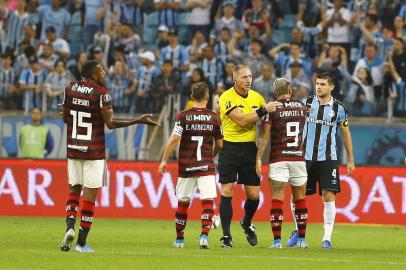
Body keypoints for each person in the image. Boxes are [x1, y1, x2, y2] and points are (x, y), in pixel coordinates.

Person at [59, 60, 159, 253]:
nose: (104, 72)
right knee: (89, 198)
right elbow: (110, 124)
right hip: (94, 152)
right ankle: (81, 243)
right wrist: (137, 120)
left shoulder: (69, 88)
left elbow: (65, 118)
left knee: (73, 191)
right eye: (101, 70)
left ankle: (69, 228)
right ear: (94, 75)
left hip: (73, 148)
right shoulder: (102, 94)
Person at [288, 72, 355, 249]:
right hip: (305, 158)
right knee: (297, 196)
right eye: (317, 83)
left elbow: (345, 133)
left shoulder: (339, 108)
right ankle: (298, 230)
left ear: (331, 87)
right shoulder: (306, 103)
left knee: (328, 195)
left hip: (328, 158)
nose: (318, 87)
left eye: (323, 84)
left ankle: (327, 238)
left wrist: (350, 158)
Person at [218, 64, 281, 248]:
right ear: (235, 78)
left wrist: (259, 156)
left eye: (250, 77)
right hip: (229, 148)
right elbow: (241, 120)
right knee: (227, 190)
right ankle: (227, 237)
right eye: (244, 77)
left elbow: (265, 125)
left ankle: (246, 222)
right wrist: (263, 111)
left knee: (254, 195)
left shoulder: (257, 97)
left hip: (249, 149)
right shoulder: (227, 97)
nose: (248, 80)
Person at [158, 82, 223, 249]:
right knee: (207, 201)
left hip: (187, 166)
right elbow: (220, 144)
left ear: (192, 97)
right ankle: (203, 237)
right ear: (208, 97)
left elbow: (174, 138)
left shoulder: (183, 116)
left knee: (183, 202)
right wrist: (211, 156)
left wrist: (164, 160)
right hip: (206, 166)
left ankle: (179, 240)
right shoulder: (215, 117)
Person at [256, 78, 308, 249]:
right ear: (290, 91)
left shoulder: (272, 109)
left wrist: (258, 158)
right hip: (298, 158)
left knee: (277, 199)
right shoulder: (302, 107)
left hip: (279, 158)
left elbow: (265, 136)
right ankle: (302, 240)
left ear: (275, 93)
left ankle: (277, 241)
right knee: (300, 198)